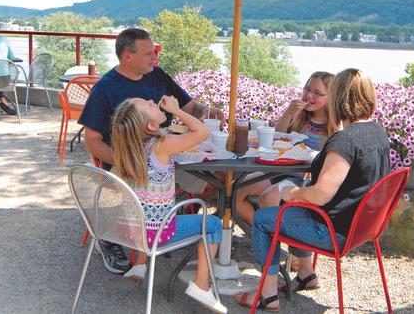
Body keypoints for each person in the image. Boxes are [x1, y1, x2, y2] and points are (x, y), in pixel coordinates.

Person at [235, 68, 391, 311]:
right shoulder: (377, 133)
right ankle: (306, 275)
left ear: (338, 99)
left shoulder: (345, 142)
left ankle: (267, 294)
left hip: (332, 230)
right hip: (362, 228)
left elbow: (320, 195)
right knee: (284, 208)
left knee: (265, 220)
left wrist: (291, 193)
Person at [79, 27, 224, 275]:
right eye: (148, 54)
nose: (154, 58)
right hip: (126, 166)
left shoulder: (157, 75)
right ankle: (115, 236)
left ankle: (168, 220)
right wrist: (131, 161)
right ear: (127, 56)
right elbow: (91, 140)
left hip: (168, 158)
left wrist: (205, 110)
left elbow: (191, 106)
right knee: (154, 188)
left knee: (218, 180)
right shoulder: (105, 88)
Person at [110, 96, 226, 313]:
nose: (153, 100)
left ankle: (140, 265)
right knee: (213, 224)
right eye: (149, 105)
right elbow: (202, 133)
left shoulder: (130, 149)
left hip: (130, 230)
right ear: (150, 125)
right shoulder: (161, 146)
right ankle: (201, 284)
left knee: (148, 206)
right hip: (156, 234)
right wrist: (176, 110)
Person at [235, 71, 337, 226]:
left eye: (317, 93)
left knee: (269, 199)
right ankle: (261, 234)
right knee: (236, 190)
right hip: (277, 171)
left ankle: (269, 236)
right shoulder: (300, 117)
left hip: (302, 181)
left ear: (331, 98)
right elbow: (277, 139)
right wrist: (288, 113)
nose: (309, 95)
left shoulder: (333, 126)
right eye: (307, 89)